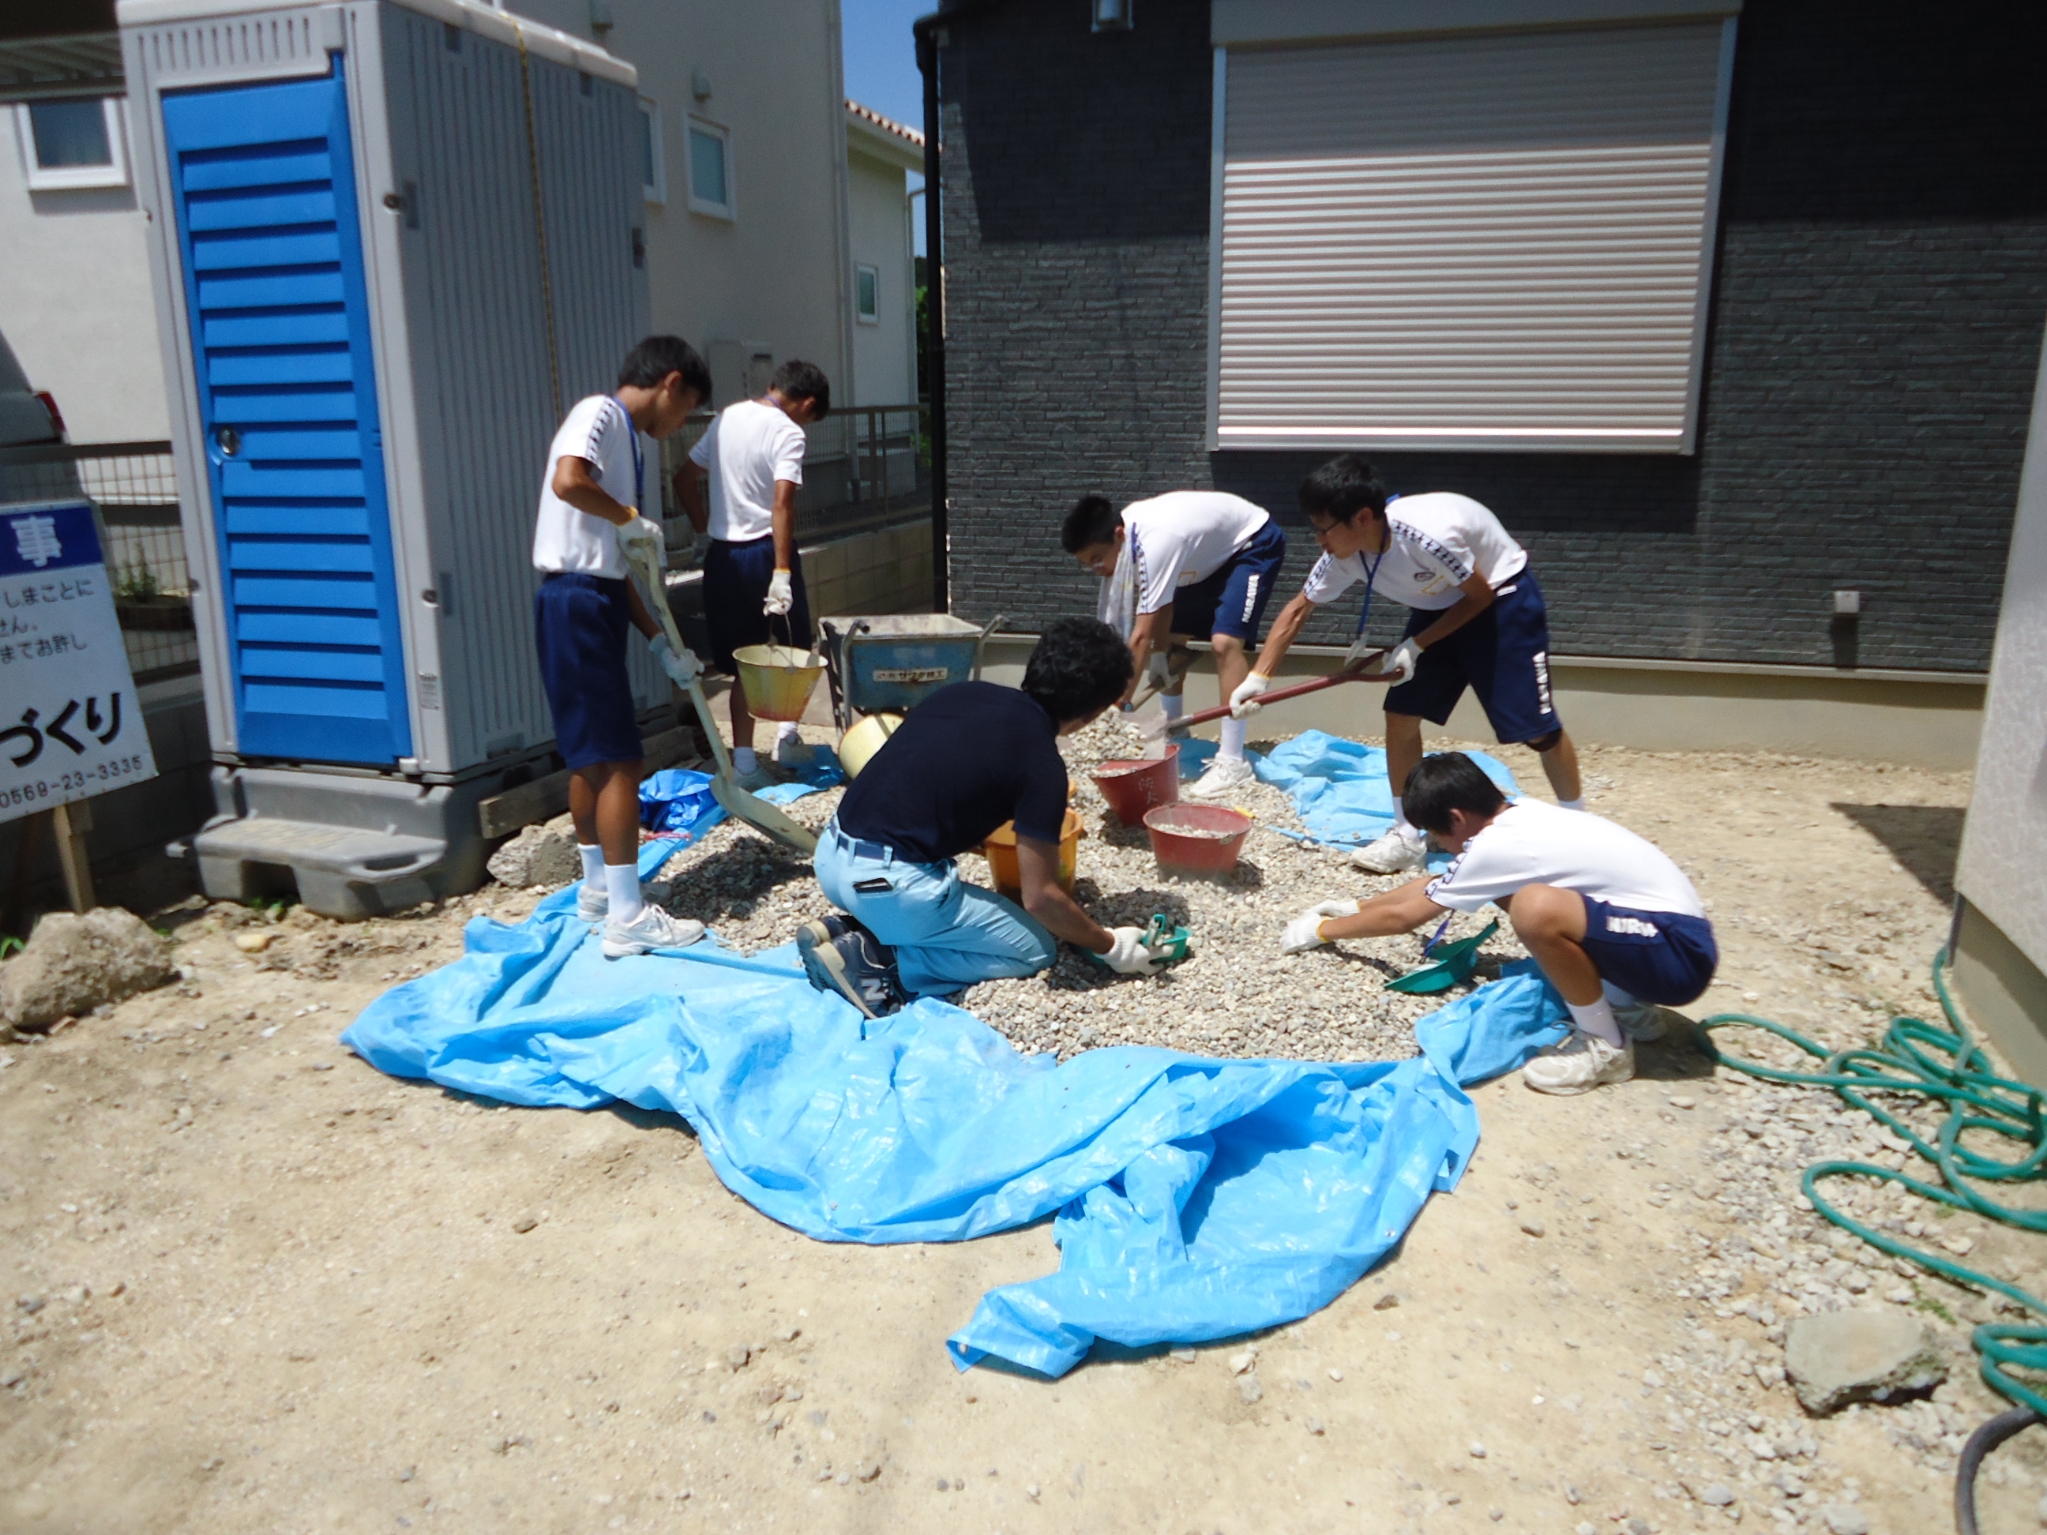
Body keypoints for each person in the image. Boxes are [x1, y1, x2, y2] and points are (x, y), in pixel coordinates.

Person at [798, 617, 1175, 1018]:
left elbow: (930, 787)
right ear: (1093, 712)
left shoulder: (962, 694)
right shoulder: (1041, 765)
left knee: (926, 900)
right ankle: (883, 963)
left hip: (831, 856)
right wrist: (1111, 946)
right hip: (892, 887)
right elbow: (1041, 898)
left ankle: (852, 930)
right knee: (1034, 949)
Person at [1280, 752, 1717, 1095]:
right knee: (1517, 894)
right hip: (1665, 937)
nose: (1441, 847)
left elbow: (1404, 919)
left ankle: (1606, 1047)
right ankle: (1626, 1005)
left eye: (1437, 836)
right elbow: (1437, 886)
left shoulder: (1498, 845)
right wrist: (1352, 905)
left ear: (1456, 817)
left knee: (1532, 907)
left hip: (1677, 959)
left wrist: (1321, 932)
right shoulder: (1519, 814)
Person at [1230, 455, 1585, 873]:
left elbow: (1480, 596)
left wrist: (1416, 645)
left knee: (1537, 732)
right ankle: (1407, 833)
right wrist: (1259, 677)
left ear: (1362, 517)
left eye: (1322, 528)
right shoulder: (1345, 554)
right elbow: (1299, 609)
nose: (1317, 540)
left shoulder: (1427, 537)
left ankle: (1579, 832)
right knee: (1400, 714)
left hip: (1502, 600)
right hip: (1438, 607)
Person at [532, 335, 713, 958]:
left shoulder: (625, 441)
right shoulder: (602, 414)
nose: (681, 422)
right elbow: (567, 480)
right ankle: (628, 917)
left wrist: (663, 644)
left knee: (589, 756)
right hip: (579, 601)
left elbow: (615, 570)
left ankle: (595, 891)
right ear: (671, 384)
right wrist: (626, 516)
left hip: (586, 598)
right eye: (687, 407)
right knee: (619, 762)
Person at [1062, 490, 1286, 800]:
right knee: (1171, 641)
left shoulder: (1157, 542)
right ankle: (1175, 732)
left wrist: (1118, 703)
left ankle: (1233, 761)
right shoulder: (1130, 546)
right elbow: (1160, 609)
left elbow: (1139, 634)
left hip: (1250, 543)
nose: (1097, 570)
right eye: (1088, 564)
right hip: (1204, 559)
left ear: (1118, 535)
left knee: (1224, 642)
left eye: (1097, 559)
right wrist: (1158, 658)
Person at [676, 359, 832, 789]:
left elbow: (683, 479)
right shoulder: (787, 431)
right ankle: (787, 738)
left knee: (742, 663)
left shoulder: (728, 417)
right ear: (808, 403)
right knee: (796, 649)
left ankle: (744, 765)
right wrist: (781, 570)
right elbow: (782, 503)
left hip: (722, 556)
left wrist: (701, 528)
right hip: (766, 552)